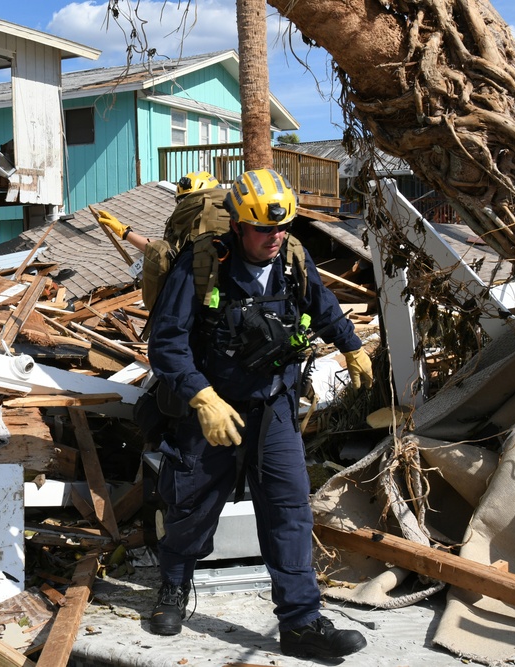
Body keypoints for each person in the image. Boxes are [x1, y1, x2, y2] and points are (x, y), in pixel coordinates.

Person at [145, 168, 373, 660]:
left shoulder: (292, 257)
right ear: (238, 226)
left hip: (273, 408)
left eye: (283, 227)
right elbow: (165, 343)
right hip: (213, 414)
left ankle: (301, 622)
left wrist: (352, 345)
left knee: (289, 511)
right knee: (192, 506)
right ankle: (173, 587)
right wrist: (201, 398)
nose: (275, 237)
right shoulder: (200, 264)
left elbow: (323, 303)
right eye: (265, 229)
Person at [94, 171, 220, 252]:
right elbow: (163, 251)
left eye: (190, 202)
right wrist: (125, 232)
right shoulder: (186, 230)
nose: (184, 210)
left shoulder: (214, 231)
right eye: (181, 203)